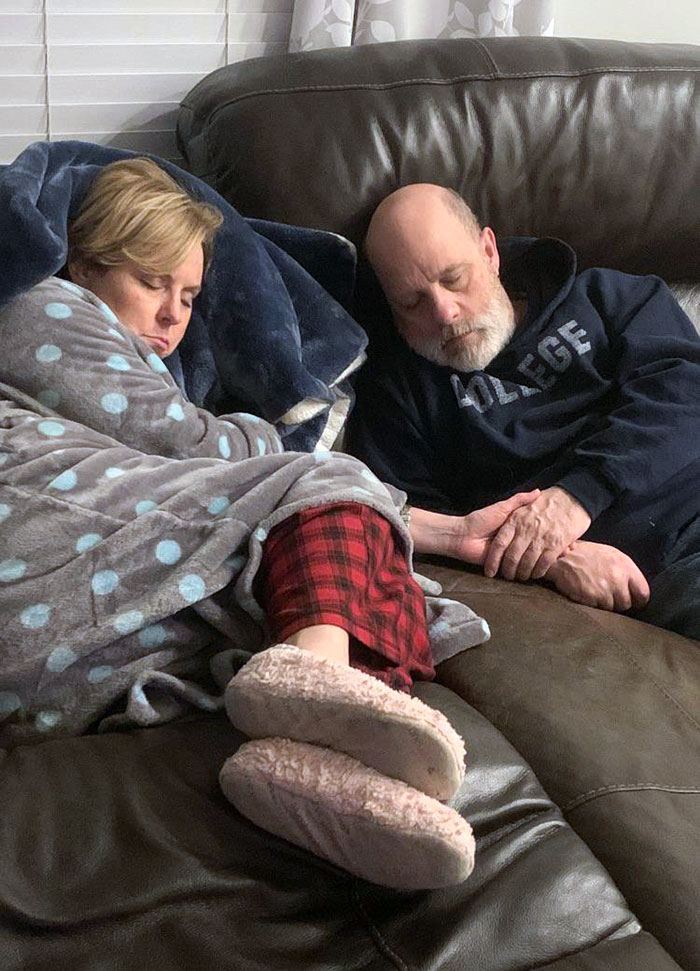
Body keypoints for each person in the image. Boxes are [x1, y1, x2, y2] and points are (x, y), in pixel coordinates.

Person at [0, 158, 538, 889]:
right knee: (325, 488)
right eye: (152, 282)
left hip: (74, 636)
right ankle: (312, 682)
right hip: (33, 540)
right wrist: (273, 438)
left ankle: (314, 765)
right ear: (87, 266)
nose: (174, 316)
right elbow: (190, 445)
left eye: (189, 296)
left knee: (328, 577)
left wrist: (443, 531)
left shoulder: (131, 352)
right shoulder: (43, 307)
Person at [347, 183, 700, 639]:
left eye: (454, 278)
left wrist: (578, 497)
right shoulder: (398, 395)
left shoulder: (607, 297)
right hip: (659, 570)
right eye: (413, 302)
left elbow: (685, 397)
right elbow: (418, 526)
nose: (444, 312)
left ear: (489, 252)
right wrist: (556, 557)